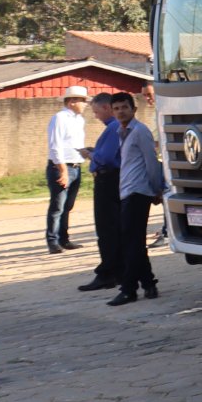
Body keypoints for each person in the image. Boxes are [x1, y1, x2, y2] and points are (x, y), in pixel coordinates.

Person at [108, 93, 165, 306]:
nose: (121, 111)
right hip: (127, 190)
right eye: (117, 108)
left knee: (130, 242)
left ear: (134, 109)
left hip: (138, 191)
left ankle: (129, 289)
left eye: (124, 107)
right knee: (134, 242)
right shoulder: (121, 131)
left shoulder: (140, 132)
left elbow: (151, 162)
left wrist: (156, 188)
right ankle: (149, 283)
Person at [77, 94, 126, 292]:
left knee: (107, 229)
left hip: (109, 180)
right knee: (115, 228)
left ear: (107, 107)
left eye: (96, 112)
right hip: (115, 179)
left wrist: (91, 154)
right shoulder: (117, 128)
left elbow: (106, 158)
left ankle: (108, 273)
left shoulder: (114, 127)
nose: (96, 116)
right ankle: (118, 271)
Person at [43, 85, 90, 254]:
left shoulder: (79, 120)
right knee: (57, 206)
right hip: (62, 167)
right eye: (83, 101)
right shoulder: (60, 118)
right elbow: (55, 146)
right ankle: (53, 241)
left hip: (76, 166)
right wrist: (62, 170)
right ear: (71, 101)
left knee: (67, 206)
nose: (85, 104)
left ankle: (64, 238)